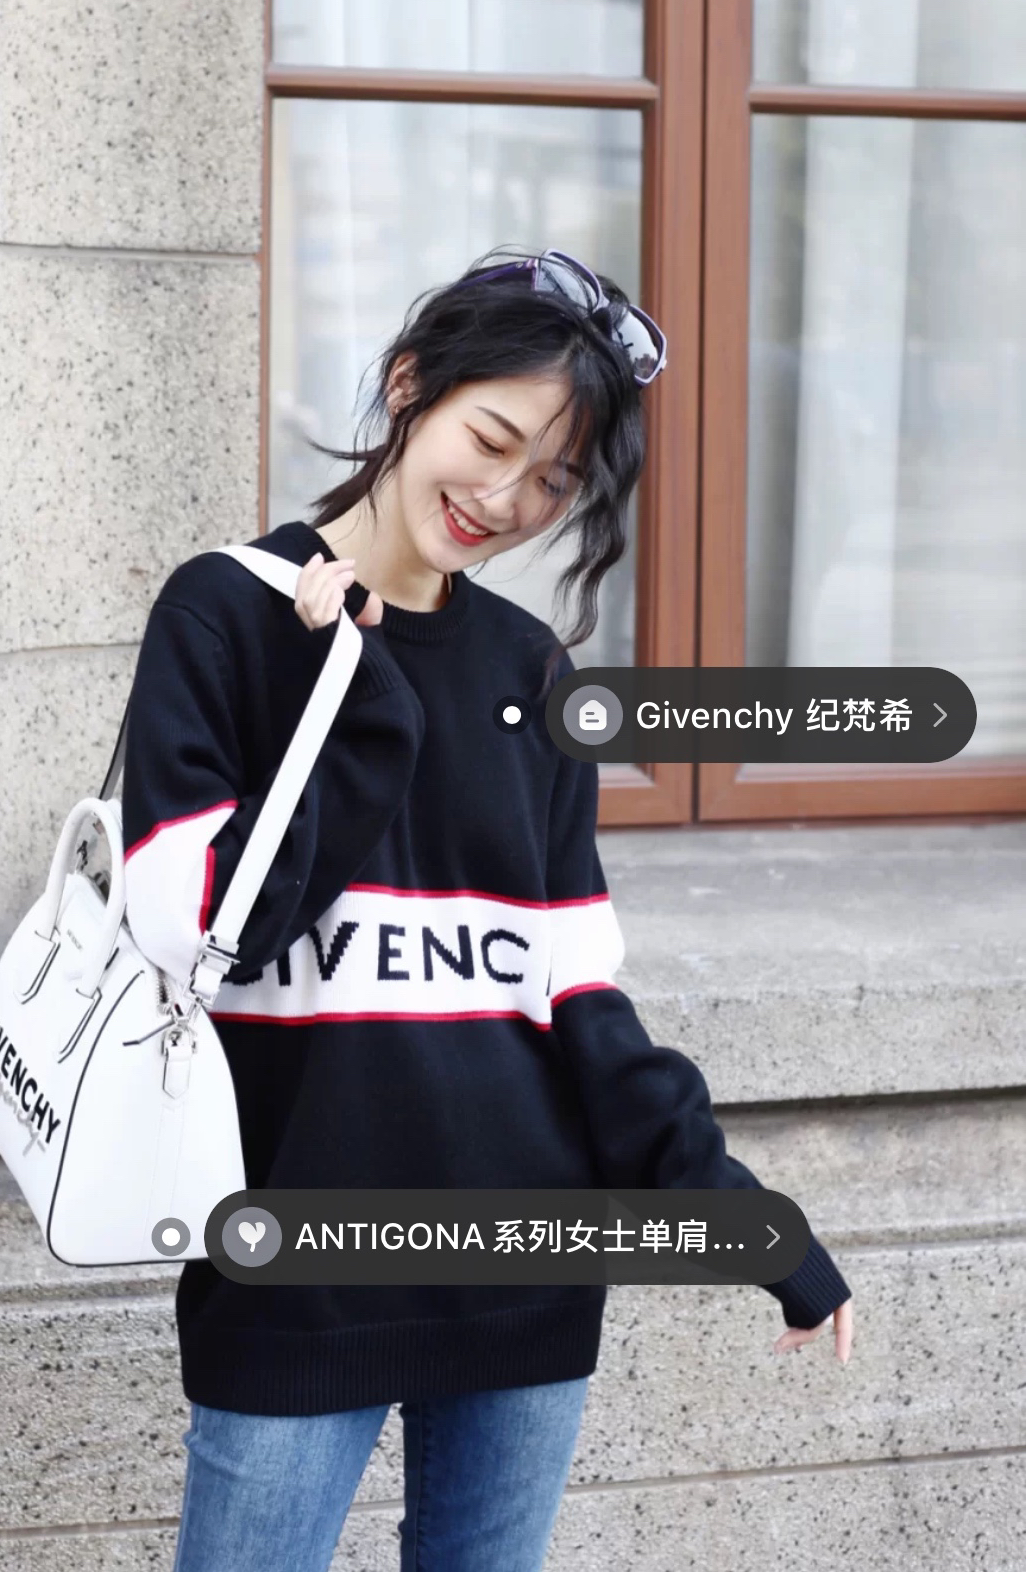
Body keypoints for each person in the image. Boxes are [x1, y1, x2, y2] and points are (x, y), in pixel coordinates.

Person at [120, 248, 855, 1572]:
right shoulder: (225, 614)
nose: (504, 500)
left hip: (525, 1268)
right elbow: (194, 932)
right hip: (295, 1272)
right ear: (412, 386)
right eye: (493, 441)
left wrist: (740, 1215)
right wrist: (351, 697)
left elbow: (578, 1006)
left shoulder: (528, 667)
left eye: (552, 483)